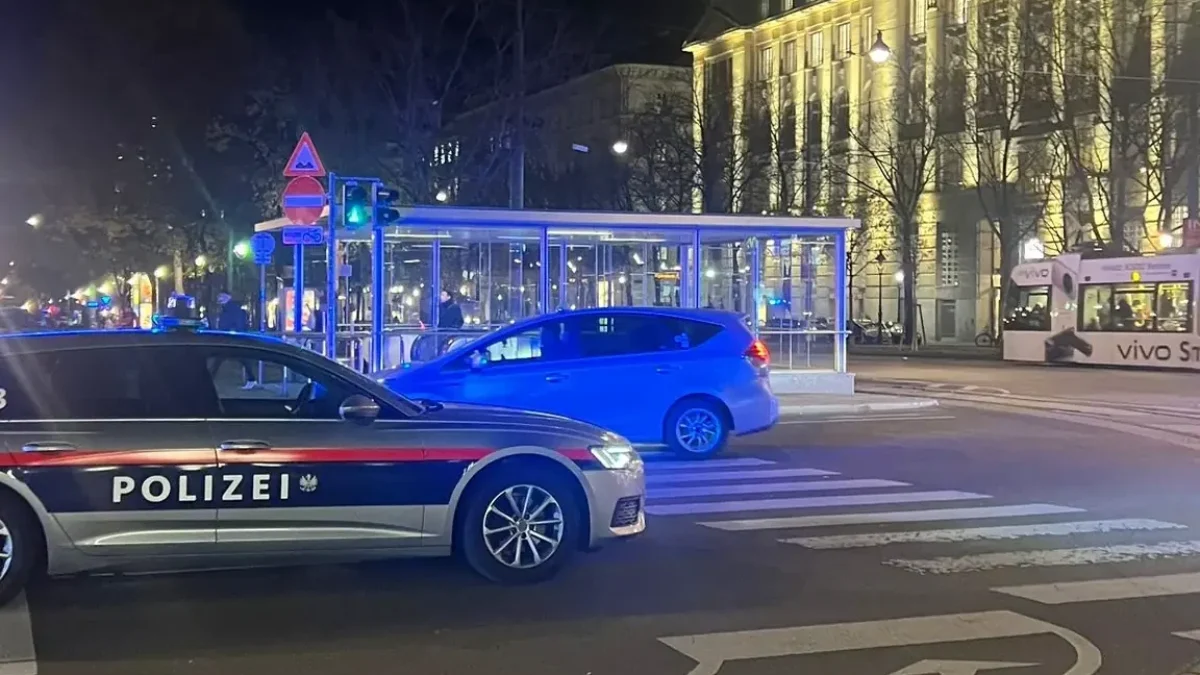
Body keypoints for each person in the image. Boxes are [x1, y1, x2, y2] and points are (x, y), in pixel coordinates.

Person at [215, 291, 258, 389]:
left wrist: (235, 333)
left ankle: (252, 379)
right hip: (230, 338)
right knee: (240, 358)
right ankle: (252, 380)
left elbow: (237, 323)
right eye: (219, 296)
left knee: (219, 358)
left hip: (232, 339)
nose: (219, 298)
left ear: (229, 297)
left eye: (222, 296)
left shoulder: (232, 308)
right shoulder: (227, 308)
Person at [436, 290, 464, 356]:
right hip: (442, 336)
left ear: (449, 297)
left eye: (443, 295)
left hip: (450, 336)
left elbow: (459, 322)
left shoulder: (454, 308)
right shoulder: (439, 308)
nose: (441, 297)